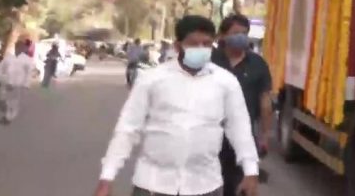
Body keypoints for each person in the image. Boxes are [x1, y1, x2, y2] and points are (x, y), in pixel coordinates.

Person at [94, 15, 259, 196]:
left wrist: (251, 171)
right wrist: (107, 177)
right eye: (193, 44)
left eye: (206, 44)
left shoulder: (226, 82)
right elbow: (128, 128)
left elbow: (240, 128)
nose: (201, 49)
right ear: (178, 46)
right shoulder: (152, 79)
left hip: (205, 185)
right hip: (153, 184)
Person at [211, 14, 273, 195]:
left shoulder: (258, 64)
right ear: (222, 36)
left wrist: (264, 136)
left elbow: (265, 103)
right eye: (235, 33)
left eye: (244, 33)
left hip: (241, 138)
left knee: (238, 187)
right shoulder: (210, 60)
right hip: (209, 137)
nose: (241, 37)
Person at [0, 39, 34, 123]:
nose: (18, 48)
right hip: (6, 83)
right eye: (17, 46)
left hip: (17, 84)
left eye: (21, 47)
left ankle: (8, 118)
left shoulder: (27, 60)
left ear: (24, 48)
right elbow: (0, 69)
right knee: (3, 100)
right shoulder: (8, 57)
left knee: (13, 103)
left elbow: (28, 73)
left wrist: (26, 84)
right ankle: (7, 114)